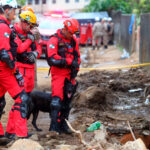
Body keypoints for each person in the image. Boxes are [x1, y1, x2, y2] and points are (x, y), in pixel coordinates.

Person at [0, 0, 31, 143]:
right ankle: (19, 135)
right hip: (4, 70)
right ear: (6, 10)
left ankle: (1, 135)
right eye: (14, 10)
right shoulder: (3, 26)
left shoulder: (5, 26)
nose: (15, 13)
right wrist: (15, 71)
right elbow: (4, 54)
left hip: (3, 69)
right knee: (22, 98)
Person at [47, 18, 81, 134]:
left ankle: (64, 126)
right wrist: (68, 61)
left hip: (70, 75)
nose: (71, 35)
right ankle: (54, 128)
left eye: (73, 33)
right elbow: (51, 58)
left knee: (67, 102)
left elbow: (77, 56)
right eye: (70, 32)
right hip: (58, 74)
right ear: (65, 29)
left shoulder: (73, 41)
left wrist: (76, 69)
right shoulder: (54, 39)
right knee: (56, 102)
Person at [13, 10, 41, 94]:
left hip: (31, 69)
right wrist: (29, 39)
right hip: (20, 69)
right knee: (22, 98)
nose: (31, 29)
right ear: (25, 23)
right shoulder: (14, 32)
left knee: (30, 97)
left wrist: (35, 54)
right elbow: (19, 49)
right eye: (31, 26)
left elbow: (38, 47)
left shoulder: (30, 33)